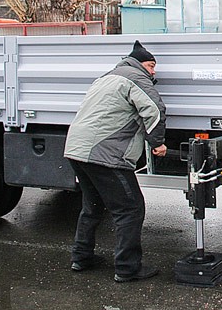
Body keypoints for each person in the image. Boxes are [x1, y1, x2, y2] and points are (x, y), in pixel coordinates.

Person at [64, 40, 167, 283]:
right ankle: (127, 268)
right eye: (151, 66)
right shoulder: (135, 77)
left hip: (77, 150)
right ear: (140, 63)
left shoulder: (106, 77)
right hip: (105, 154)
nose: (153, 72)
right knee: (130, 209)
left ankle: (81, 258)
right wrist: (157, 143)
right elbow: (155, 109)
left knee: (93, 206)